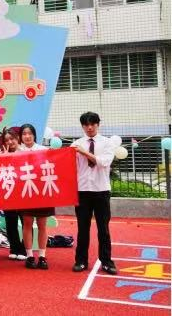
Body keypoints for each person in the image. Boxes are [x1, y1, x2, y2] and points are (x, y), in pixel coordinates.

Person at [71, 112, 117, 275]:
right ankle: (81, 261)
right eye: (86, 125)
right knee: (82, 228)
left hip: (101, 190)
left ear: (98, 124)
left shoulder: (107, 143)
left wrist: (84, 152)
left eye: (92, 124)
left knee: (103, 228)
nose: (89, 128)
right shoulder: (76, 144)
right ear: (82, 126)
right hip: (82, 191)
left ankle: (106, 261)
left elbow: (103, 162)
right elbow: (69, 166)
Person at [19, 123, 52, 270]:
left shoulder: (44, 150)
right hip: (26, 192)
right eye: (24, 134)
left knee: (42, 224)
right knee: (27, 223)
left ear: (34, 135)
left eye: (29, 133)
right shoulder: (17, 152)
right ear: (21, 136)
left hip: (42, 192)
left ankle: (42, 256)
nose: (27, 136)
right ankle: (29, 256)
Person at [0, 127, 27, 261]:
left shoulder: (25, 152)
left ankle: (24, 248)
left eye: (12, 139)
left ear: (17, 138)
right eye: (7, 140)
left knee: (26, 221)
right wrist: (4, 157)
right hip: (8, 193)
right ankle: (14, 248)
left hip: (23, 193)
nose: (10, 142)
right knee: (10, 222)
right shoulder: (2, 153)